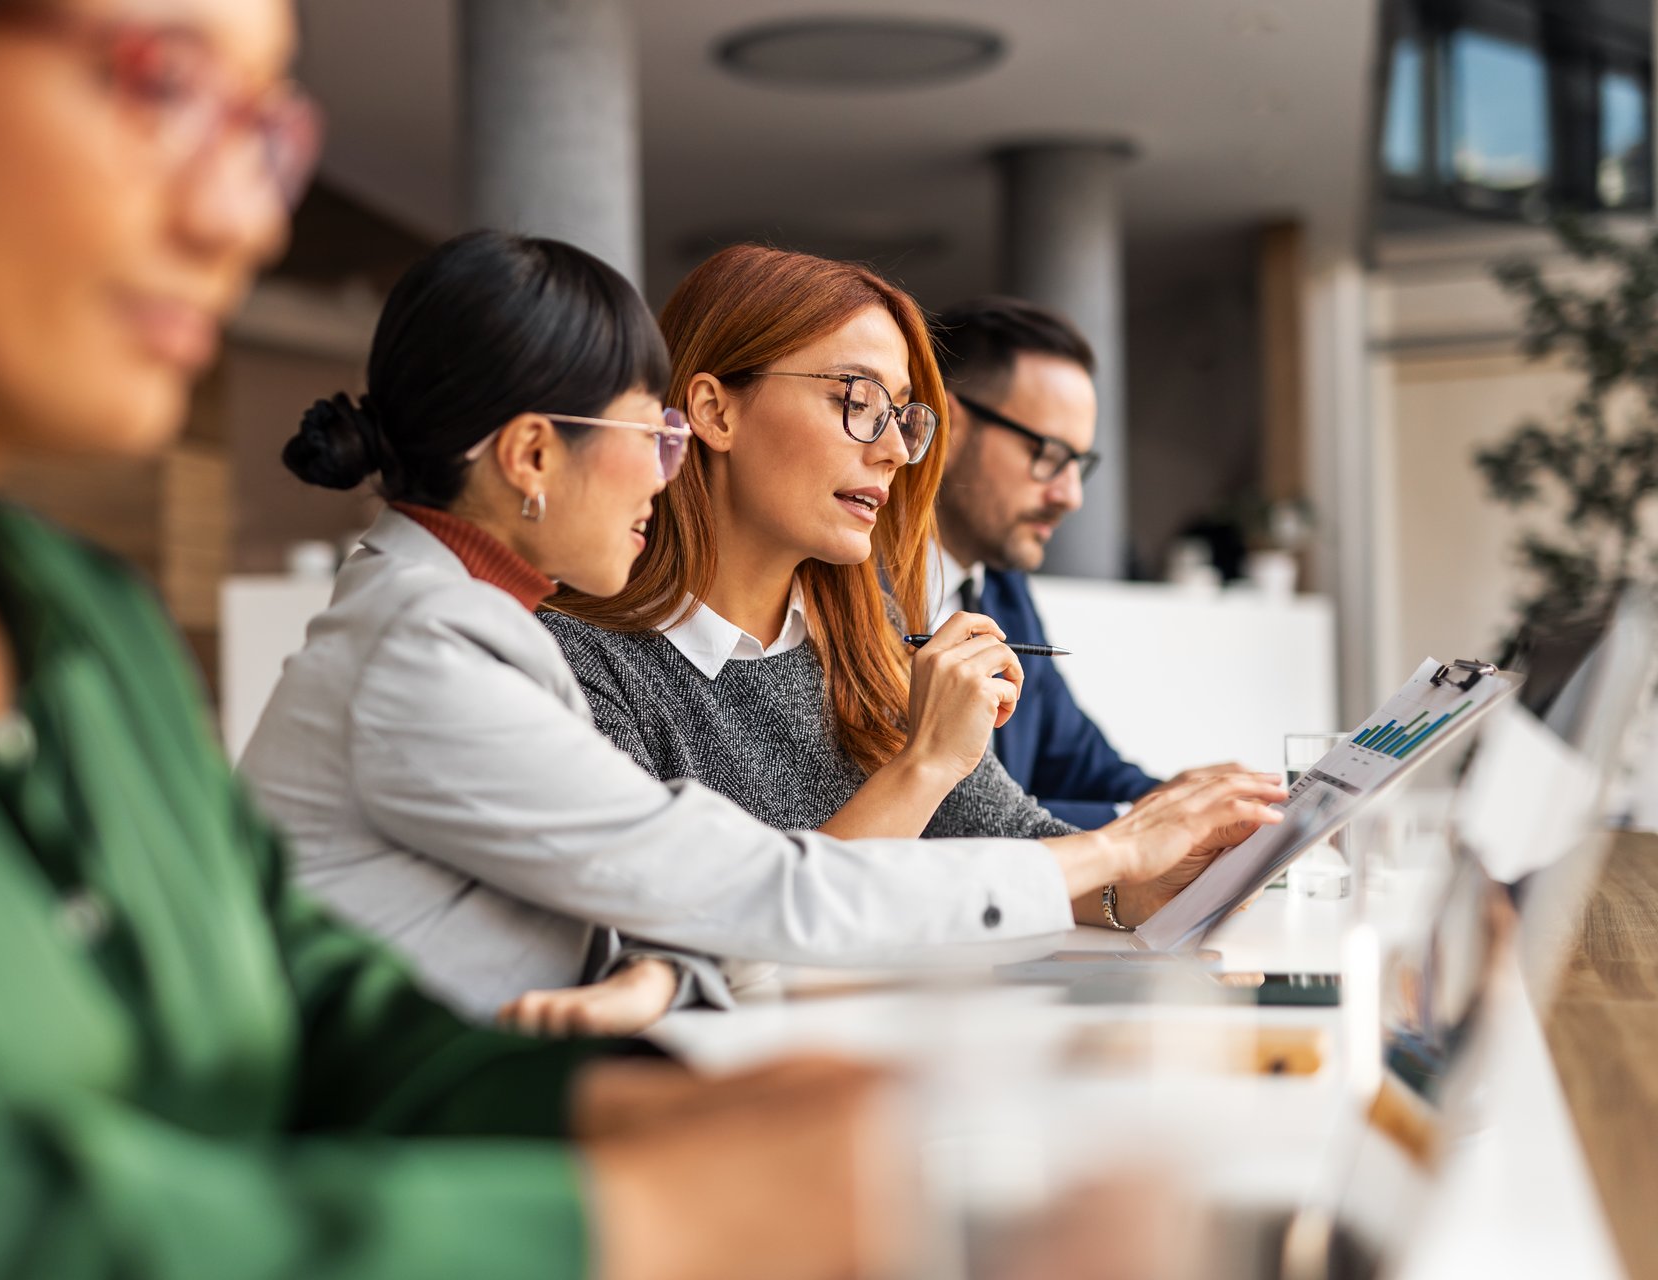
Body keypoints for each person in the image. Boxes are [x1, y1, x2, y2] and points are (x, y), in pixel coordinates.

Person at [0, 2, 920, 1276]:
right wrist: (626, 1216)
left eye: (264, 129)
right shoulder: (421, 638)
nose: (244, 216)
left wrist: (633, 1109)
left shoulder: (93, 626)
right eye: (162, 83)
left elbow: (309, 1006)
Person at [239, 231, 1286, 1038]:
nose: (665, 461)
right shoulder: (443, 650)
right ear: (528, 455)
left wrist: (1137, 876)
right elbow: (744, 897)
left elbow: (667, 922)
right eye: (647, 434)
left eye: (902, 416)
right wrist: (1100, 842)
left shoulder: (464, 620)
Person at [538, 244, 1274, 1012]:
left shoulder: (863, 631)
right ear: (715, 411)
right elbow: (702, 943)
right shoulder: (578, 663)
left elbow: (1004, 843)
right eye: (855, 400)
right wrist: (925, 766)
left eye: (900, 415)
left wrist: (1140, 889)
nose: (893, 450)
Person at [930, 298, 1241, 828]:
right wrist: (1150, 820)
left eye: (1079, 464)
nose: (1071, 495)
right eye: (1049, 455)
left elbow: (1080, 767)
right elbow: (940, 821)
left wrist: (1197, 804)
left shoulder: (1004, 591)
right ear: (953, 426)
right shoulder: (852, 592)